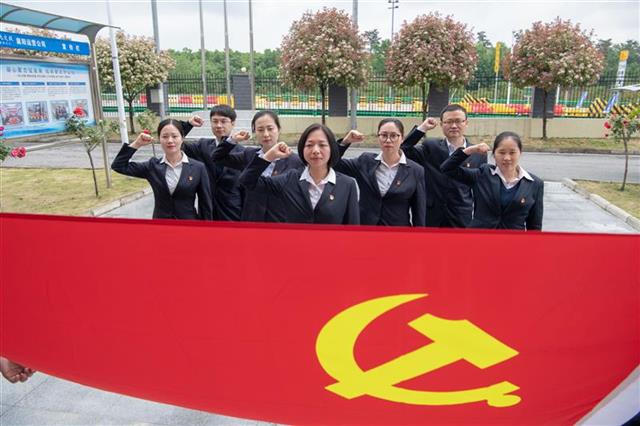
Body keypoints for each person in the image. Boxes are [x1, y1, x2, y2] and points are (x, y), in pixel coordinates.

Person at [239, 123, 360, 225]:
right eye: (309, 145)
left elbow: (352, 228)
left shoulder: (347, 185)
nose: (315, 151)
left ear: (332, 149)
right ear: (302, 149)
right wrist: (270, 156)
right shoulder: (289, 179)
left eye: (322, 145)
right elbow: (247, 181)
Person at [401, 104, 487, 228]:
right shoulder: (431, 147)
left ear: (466, 123)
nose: (454, 126)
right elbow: (404, 150)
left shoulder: (477, 152)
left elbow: (480, 188)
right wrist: (422, 128)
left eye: (458, 121)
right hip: (432, 215)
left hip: (461, 215)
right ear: (441, 124)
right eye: (449, 122)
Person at [211, 110, 304, 222]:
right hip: (252, 220)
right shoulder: (249, 155)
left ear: (278, 129)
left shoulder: (295, 161)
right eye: (260, 130)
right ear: (254, 132)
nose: (266, 134)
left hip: (281, 222)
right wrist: (233, 140)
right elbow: (217, 157)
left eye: (270, 128)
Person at [111, 119, 213, 220]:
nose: (170, 140)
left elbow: (205, 204)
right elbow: (118, 166)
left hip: (188, 225)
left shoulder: (198, 168)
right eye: (165, 136)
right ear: (159, 139)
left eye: (174, 136)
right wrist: (137, 143)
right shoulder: (152, 166)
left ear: (182, 138)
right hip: (160, 225)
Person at [440, 131, 544, 230]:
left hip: (513, 240)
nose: (507, 158)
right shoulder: (483, 174)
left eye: (512, 153)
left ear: (520, 153)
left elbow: (534, 225)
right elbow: (447, 169)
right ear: (494, 154)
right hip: (480, 238)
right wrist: (470, 150)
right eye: (502, 152)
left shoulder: (534, 184)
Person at [335, 119, 426, 226]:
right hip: (366, 228)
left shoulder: (416, 170)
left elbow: (418, 211)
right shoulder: (365, 161)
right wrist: (345, 142)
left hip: (398, 231)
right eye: (383, 135)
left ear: (402, 138)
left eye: (393, 136)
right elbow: (334, 164)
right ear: (378, 138)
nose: (388, 140)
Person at [181, 105, 243, 221]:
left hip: (233, 213)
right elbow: (177, 144)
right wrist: (188, 125)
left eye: (223, 121)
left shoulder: (242, 153)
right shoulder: (202, 146)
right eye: (215, 121)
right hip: (207, 213)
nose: (218, 125)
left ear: (233, 123)